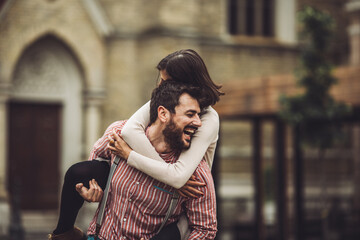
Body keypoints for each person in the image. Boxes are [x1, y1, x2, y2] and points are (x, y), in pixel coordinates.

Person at [48, 49, 223, 240]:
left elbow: (180, 176)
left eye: (166, 81)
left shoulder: (209, 120)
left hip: (182, 205)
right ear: (164, 113)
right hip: (164, 183)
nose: (159, 85)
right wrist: (95, 186)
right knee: (80, 170)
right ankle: (63, 234)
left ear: (185, 83)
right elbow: (129, 131)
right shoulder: (163, 102)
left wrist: (132, 156)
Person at [84, 80, 217, 239]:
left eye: (198, 115)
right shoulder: (119, 136)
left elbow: (205, 230)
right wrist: (93, 185)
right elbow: (95, 158)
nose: (199, 122)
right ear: (163, 114)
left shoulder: (194, 174)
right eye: (190, 114)